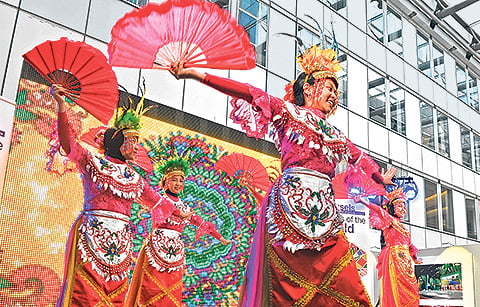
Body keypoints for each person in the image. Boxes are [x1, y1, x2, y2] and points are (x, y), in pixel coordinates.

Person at [169, 45, 394, 306]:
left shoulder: (336, 135)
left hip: (325, 211)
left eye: (336, 91)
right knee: (287, 286)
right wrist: (196, 75)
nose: (334, 95)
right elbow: (249, 92)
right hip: (288, 207)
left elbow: (359, 159)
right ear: (309, 89)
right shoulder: (288, 112)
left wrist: (380, 179)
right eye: (330, 88)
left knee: (345, 278)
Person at [51, 85, 177, 306]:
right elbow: (68, 143)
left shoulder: (135, 178)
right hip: (92, 235)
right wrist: (61, 106)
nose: (137, 147)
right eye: (132, 141)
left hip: (121, 244)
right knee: (84, 294)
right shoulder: (93, 163)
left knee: (116, 295)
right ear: (116, 141)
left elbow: (160, 204)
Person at [125, 156, 232, 306]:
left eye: (181, 181)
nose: (178, 184)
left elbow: (203, 224)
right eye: (174, 179)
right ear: (165, 181)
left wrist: (221, 238)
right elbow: (165, 210)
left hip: (175, 253)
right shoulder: (158, 200)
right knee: (151, 287)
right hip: (156, 249)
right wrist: (178, 214)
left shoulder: (185, 208)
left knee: (171, 289)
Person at [356, 187, 421, 307]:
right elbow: (378, 210)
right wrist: (362, 201)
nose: (403, 209)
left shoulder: (403, 227)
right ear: (392, 207)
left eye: (404, 206)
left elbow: (409, 244)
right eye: (400, 205)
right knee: (397, 286)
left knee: (411, 287)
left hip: (406, 261)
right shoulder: (390, 220)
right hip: (394, 258)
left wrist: (415, 258)